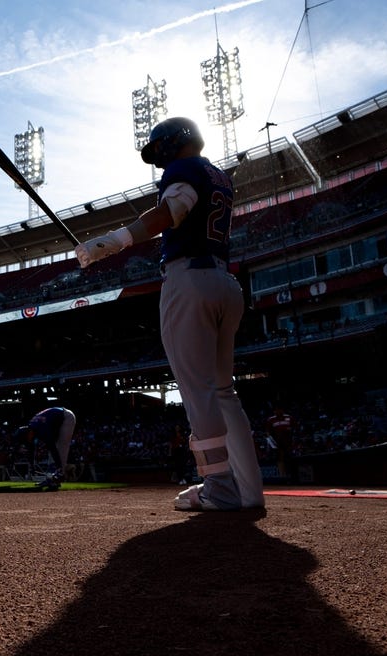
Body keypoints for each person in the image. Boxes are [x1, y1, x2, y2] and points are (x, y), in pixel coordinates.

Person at [75, 116, 264, 512]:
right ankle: (249, 492)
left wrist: (112, 242)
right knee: (224, 392)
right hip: (225, 281)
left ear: (177, 140)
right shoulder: (217, 175)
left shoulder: (185, 169)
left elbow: (172, 210)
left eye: (160, 146)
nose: (158, 156)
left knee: (199, 392)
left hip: (189, 281)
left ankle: (220, 488)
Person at [12, 406, 76, 490]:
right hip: (57, 420)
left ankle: (59, 475)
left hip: (67, 417)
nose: (26, 442)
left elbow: (52, 448)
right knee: (54, 452)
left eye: (25, 439)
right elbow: (31, 448)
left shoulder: (41, 427)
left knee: (61, 448)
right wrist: (32, 466)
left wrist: (59, 467)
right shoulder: (31, 429)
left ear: (28, 434)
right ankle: (52, 478)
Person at [265, 405, 295, 483]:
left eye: (279, 409)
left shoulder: (289, 417)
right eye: (276, 410)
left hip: (288, 442)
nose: (277, 411)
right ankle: (282, 476)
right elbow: (268, 432)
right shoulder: (271, 420)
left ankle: (291, 475)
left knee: (289, 458)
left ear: (282, 410)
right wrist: (272, 443)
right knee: (280, 458)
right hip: (277, 443)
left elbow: (294, 428)